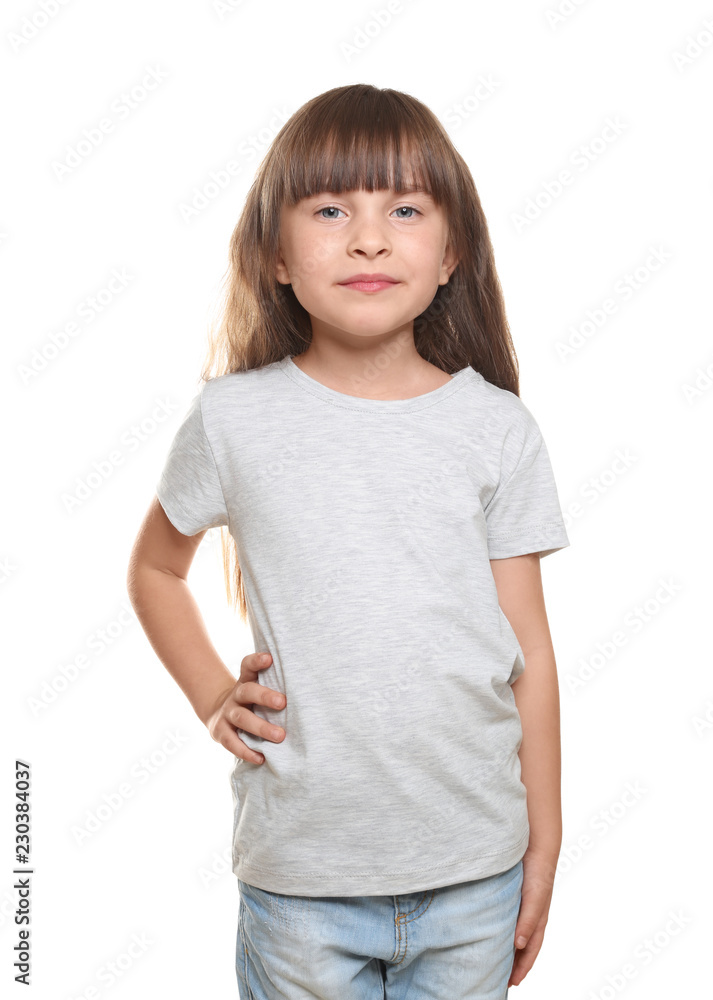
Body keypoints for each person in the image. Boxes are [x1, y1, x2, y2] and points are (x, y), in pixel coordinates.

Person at [126, 83, 571, 999]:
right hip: (301, 886)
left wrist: (545, 839)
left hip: (473, 875)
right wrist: (215, 698)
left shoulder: (496, 429)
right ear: (276, 256)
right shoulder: (233, 419)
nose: (368, 237)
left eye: (404, 209)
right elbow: (155, 570)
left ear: (451, 253)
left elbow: (527, 648)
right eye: (330, 208)